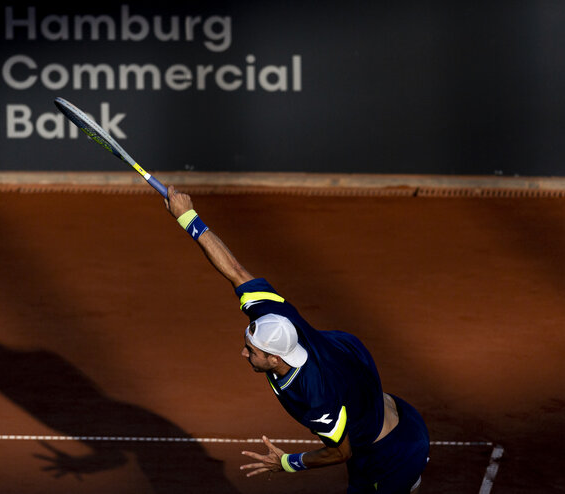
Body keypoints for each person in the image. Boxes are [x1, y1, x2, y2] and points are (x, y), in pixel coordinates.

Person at [164, 186, 430, 494]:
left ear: (275, 359)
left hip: (391, 454)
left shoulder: (315, 397)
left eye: (251, 351)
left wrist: (288, 462)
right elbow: (235, 271)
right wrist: (187, 217)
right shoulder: (276, 318)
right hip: (389, 408)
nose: (243, 353)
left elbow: (341, 452)